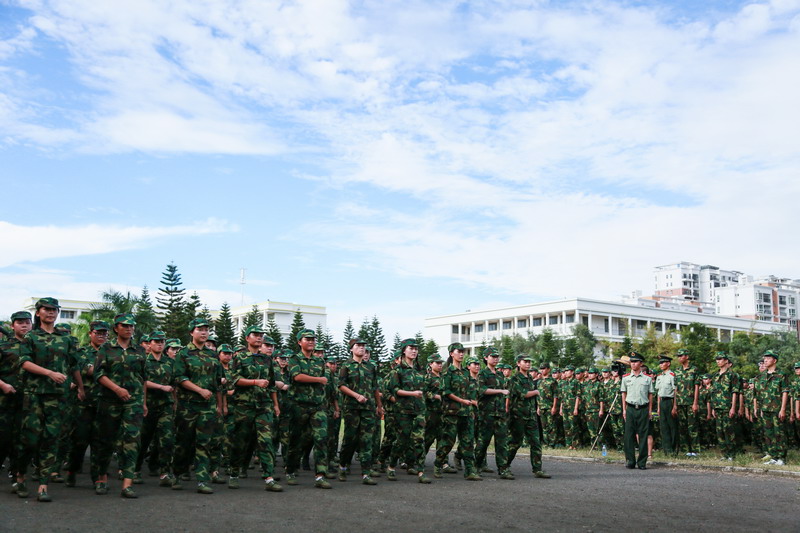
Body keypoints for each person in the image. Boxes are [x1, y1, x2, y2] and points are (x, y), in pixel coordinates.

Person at [18, 297, 85, 502]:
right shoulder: (31, 337)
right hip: (34, 394)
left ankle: (43, 485)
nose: (50, 312)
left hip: (58, 396)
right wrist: (49, 373)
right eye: (46, 309)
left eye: (54, 309)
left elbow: (74, 365)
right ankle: (20, 476)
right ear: (38, 312)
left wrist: (81, 387)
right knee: (30, 439)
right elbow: (24, 362)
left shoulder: (65, 339)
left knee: (51, 438)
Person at [90, 313, 147, 499]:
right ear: (116, 328)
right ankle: (101, 478)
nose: (129, 329)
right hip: (110, 400)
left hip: (133, 402)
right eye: (124, 326)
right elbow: (99, 374)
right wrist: (117, 389)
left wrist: (144, 402)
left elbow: (143, 378)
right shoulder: (106, 349)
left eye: (131, 326)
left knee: (132, 441)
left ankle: (127, 484)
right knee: (106, 441)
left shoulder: (139, 350)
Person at [172, 318, 225, 494]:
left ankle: (202, 479)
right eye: (200, 329)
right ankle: (177, 473)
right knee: (184, 442)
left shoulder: (213, 355)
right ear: (191, 332)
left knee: (204, 442)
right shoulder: (183, 353)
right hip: (188, 406)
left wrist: (219, 404)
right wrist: (200, 390)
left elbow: (218, 381)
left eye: (206, 330)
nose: (204, 332)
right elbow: (179, 378)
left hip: (207, 407)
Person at [227, 326, 282, 492]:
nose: (259, 338)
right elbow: (234, 380)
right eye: (255, 335)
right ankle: (234, 473)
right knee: (240, 441)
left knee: (266, 441)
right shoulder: (239, 357)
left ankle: (269, 477)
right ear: (247, 338)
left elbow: (271, 384)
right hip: (244, 406)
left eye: (261, 335)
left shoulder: (267, 360)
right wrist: (254, 382)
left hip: (263, 406)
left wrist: (275, 405)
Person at [285, 329, 331, 489]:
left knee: (321, 439)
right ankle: (290, 471)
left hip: (317, 406)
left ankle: (320, 475)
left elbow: (326, 380)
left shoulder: (320, 361)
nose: (311, 342)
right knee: (296, 440)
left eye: (313, 339)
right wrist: (318, 379)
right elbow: (297, 377)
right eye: (307, 339)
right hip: (299, 406)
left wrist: (321, 382)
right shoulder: (294, 359)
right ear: (299, 342)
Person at [337, 337, 382, 484]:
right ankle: (343, 466)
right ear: (351, 349)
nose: (362, 348)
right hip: (352, 408)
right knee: (350, 439)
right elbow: (341, 385)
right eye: (358, 346)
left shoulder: (371, 367)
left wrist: (379, 406)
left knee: (367, 440)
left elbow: (375, 388)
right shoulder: (346, 366)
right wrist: (356, 396)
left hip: (368, 408)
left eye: (363, 346)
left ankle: (366, 473)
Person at [434, 343, 480, 480]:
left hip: (466, 413)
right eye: (458, 351)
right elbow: (445, 392)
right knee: (448, 442)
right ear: (451, 354)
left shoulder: (466, 372)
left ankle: (470, 471)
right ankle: (438, 464)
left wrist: (471, 407)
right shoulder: (447, 372)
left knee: (468, 442)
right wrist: (461, 401)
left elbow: (470, 392)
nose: (461, 354)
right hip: (451, 413)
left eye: (462, 351)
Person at [135, 330, 175, 487]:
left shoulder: (170, 362)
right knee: (143, 439)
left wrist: (175, 403)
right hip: (148, 405)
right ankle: (135, 470)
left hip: (166, 405)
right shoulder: (143, 361)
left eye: (162, 341)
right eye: (156, 341)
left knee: (166, 440)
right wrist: (161, 387)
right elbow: (142, 382)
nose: (159, 344)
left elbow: (175, 383)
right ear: (149, 344)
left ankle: (165, 473)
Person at [387, 338, 431, 483]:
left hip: (419, 410)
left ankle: (421, 472)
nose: (414, 351)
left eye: (416, 349)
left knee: (419, 440)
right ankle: (391, 466)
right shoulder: (398, 370)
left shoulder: (420, 370)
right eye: (411, 348)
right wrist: (412, 393)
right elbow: (395, 390)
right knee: (402, 440)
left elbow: (425, 389)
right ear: (404, 351)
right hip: (403, 411)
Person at [1, 311, 32, 497]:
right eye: (20, 322)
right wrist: (3, 385)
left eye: (27, 322)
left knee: (22, 441)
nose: (24, 325)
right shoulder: (3, 346)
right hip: (4, 401)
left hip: (28, 401)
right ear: (12, 326)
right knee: (3, 439)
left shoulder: (36, 346)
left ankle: (17, 477)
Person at [506, 355, 550, 479]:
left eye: (529, 362)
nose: (528, 364)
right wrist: (536, 392)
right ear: (518, 363)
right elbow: (523, 394)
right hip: (518, 415)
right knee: (515, 442)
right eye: (525, 362)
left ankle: (537, 469)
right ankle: (504, 466)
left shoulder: (530, 378)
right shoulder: (514, 379)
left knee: (536, 442)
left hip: (531, 415)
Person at [475, 347, 510, 478]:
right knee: (483, 442)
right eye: (493, 357)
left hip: (499, 413)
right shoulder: (482, 374)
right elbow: (482, 390)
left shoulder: (500, 375)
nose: (496, 359)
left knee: (502, 442)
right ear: (486, 358)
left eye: (497, 357)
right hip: (487, 413)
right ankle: (476, 467)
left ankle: (503, 469)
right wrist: (500, 391)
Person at [754, 350, 789, 466]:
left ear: (775, 360)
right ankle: (773, 456)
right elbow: (759, 394)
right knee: (768, 434)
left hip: (777, 409)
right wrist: (760, 409)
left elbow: (785, 392)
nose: (765, 360)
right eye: (765, 358)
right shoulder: (761, 376)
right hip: (765, 409)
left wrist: (783, 409)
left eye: (768, 358)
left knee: (779, 433)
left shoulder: (781, 375)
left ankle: (781, 457)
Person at [621, 352, 653, 470]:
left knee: (643, 435)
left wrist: (650, 411)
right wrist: (624, 410)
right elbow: (623, 394)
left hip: (643, 408)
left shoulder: (647, 379)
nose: (633, 364)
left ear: (641, 363)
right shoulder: (626, 378)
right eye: (631, 362)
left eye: (635, 362)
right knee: (628, 436)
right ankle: (630, 460)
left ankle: (642, 462)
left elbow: (650, 395)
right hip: (630, 408)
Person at [710, 352, 739, 460]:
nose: (718, 361)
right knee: (719, 431)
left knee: (729, 431)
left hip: (727, 406)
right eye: (717, 359)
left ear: (726, 360)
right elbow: (713, 392)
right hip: (717, 407)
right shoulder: (715, 376)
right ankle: (724, 454)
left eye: (720, 359)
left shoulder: (732, 375)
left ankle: (731, 454)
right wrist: (713, 407)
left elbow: (735, 392)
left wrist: (733, 407)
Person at [673, 348, 700, 457]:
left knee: (692, 426)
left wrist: (695, 403)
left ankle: (695, 450)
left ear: (687, 357)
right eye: (678, 356)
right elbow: (675, 389)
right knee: (682, 427)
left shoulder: (694, 369)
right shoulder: (677, 371)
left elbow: (696, 386)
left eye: (681, 356)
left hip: (690, 402)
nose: (679, 358)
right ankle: (686, 450)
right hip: (680, 402)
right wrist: (674, 405)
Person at [654, 356, 677, 456]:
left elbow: (675, 391)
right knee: (663, 427)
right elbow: (658, 393)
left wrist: (674, 406)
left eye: (663, 363)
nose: (661, 365)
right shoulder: (659, 376)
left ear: (668, 363)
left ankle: (673, 449)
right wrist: (658, 407)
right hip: (662, 402)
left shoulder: (672, 375)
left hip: (670, 401)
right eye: (660, 363)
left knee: (672, 426)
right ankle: (666, 450)